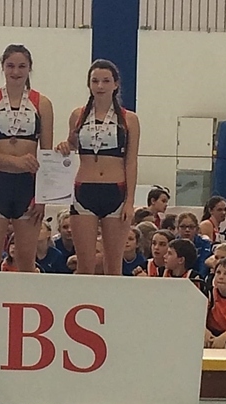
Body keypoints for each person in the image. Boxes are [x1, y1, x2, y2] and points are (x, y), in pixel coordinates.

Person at [0, 44, 53, 273]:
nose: (16, 72)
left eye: (21, 66)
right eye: (10, 66)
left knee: (26, 259)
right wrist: (13, 161)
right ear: (3, 67)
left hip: (28, 185)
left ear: (29, 68)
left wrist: (43, 198)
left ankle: (26, 297)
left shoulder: (42, 103)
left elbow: (47, 154)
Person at [56, 59, 140, 275]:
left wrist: (130, 201)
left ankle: (113, 299)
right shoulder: (78, 115)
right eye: (95, 81)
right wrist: (65, 146)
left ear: (115, 84)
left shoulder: (129, 119)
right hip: (84, 191)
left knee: (113, 266)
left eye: (106, 81)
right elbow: (72, 144)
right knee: (86, 265)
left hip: (115, 191)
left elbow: (131, 161)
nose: (100, 86)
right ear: (89, 84)